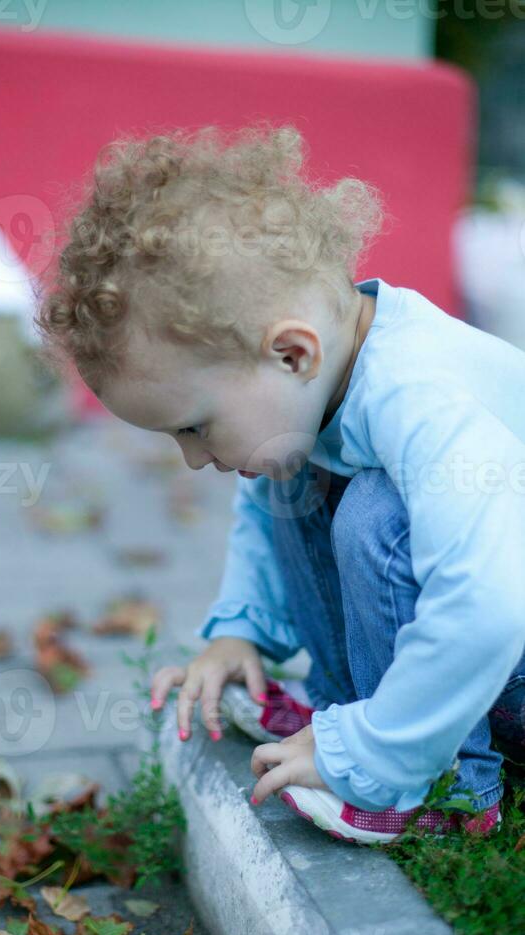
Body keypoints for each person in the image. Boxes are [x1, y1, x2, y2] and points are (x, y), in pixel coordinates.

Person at [35, 123, 525, 845]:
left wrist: (379, 757)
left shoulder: (421, 392)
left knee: (376, 513)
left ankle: (448, 785)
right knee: (286, 469)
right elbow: (267, 508)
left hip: (501, 656)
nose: (194, 459)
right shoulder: (319, 386)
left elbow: (488, 605)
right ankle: (350, 720)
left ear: (292, 353)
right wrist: (241, 630)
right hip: (486, 673)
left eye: (194, 426)